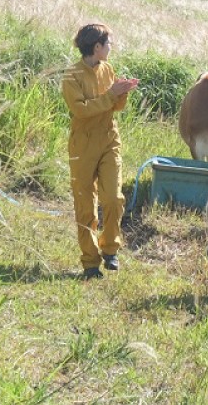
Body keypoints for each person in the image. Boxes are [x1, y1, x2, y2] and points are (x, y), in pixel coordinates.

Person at [61, 23, 139, 280]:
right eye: (109, 44)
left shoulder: (108, 69)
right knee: (85, 205)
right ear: (97, 47)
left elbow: (114, 107)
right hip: (82, 146)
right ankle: (90, 263)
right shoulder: (72, 76)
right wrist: (110, 95)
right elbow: (81, 110)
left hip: (109, 140)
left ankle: (110, 249)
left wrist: (122, 93)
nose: (111, 48)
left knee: (114, 198)